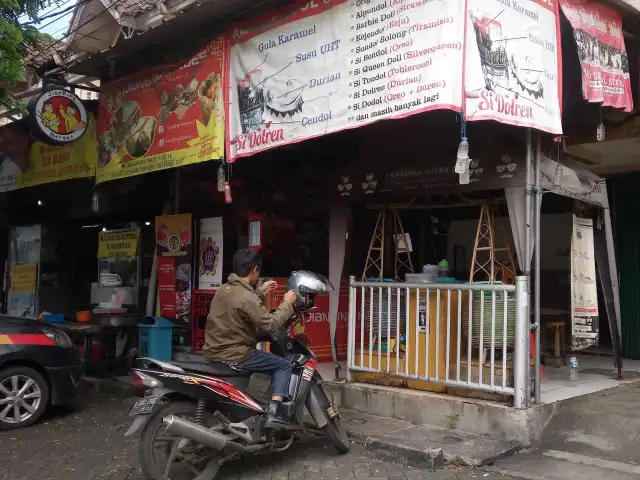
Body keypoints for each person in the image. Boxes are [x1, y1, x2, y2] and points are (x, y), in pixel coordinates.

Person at [204, 249, 298, 430]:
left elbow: (241, 305)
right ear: (255, 270)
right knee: (283, 365)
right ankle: (274, 413)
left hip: (214, 351)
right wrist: (287, 302)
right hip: (236, 354)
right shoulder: (247, 297)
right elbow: (270, 324)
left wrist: (260, 292)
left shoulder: (223, 290)